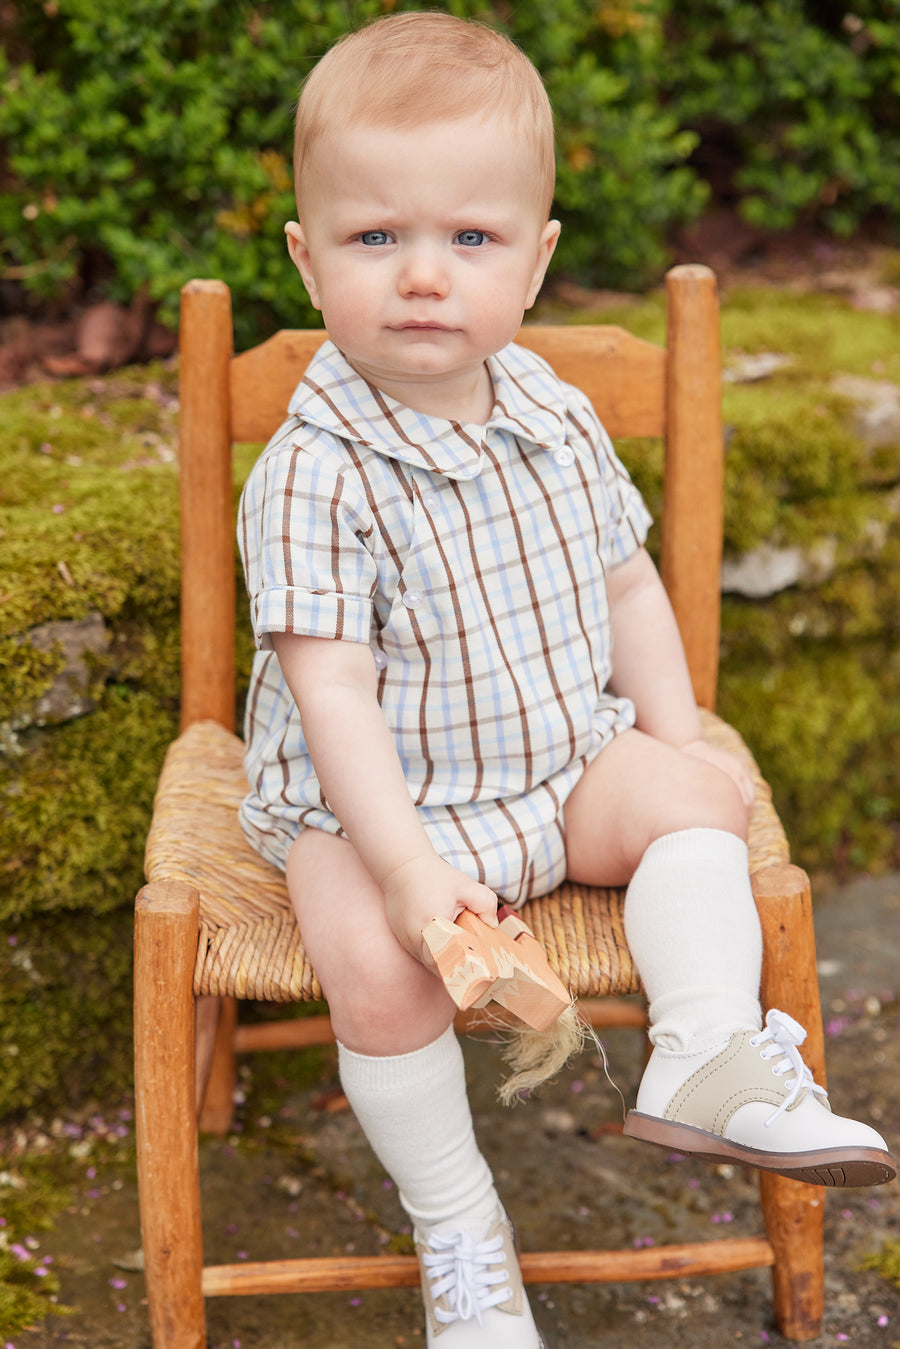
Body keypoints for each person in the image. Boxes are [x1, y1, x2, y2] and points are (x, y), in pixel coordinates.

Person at [236, 12, 895, 1345]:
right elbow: (335, 700)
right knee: (371, 961)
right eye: (377, 239)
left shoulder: (551, 410)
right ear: (307, 260)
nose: (423, 275)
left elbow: (624, 584)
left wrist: (674, 738)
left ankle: (705, 1045)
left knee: (697, 801)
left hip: (555, 757)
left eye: (468, 239)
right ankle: (460, 1223)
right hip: (370, 804)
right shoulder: (311, 470)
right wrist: (414, 874)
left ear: (533, 262)